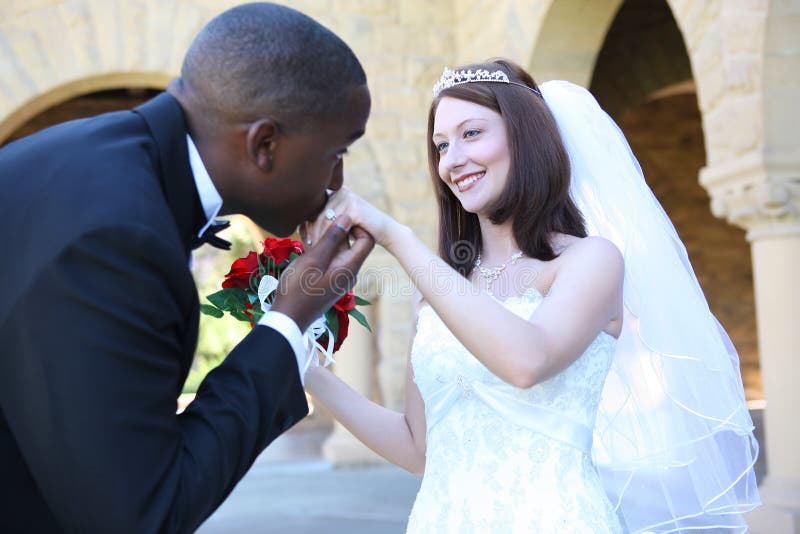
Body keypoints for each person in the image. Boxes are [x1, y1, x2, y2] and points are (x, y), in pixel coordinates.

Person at [303, 58, 760, 532]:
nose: (452, 160)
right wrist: (307, 369)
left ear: (526, 137)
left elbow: (527, 361)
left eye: (471, 133)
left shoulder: (590, 262)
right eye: (441, 145)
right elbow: (417, 448)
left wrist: (397, 238)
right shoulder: (441, 295)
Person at [0, 3, 373, 533]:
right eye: (337, 152)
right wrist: (290, 318)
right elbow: (144, 515)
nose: (337, 178)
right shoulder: (116, 238)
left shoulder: (100, 159)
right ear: (264, 144)